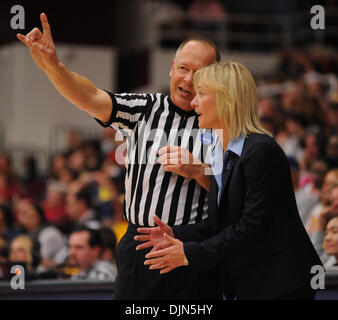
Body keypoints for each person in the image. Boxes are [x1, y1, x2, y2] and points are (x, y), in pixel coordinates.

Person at [17, 13, 221, 299]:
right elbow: (90, 97)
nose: (188, 79)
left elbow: (234, 195)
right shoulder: (143, 108)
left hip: (191, 247)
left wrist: (199, 171)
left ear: (214, 77)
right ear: (172, 68)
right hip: (138, 245)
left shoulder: (220, 123)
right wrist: (54, 66)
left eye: (198, 72)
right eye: (183, 68)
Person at [136, 62, 323, 300]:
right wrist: (176, 233)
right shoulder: (221, 152)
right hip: (254, 281)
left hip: (281, 281)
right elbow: (223, 222)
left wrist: (189, 253)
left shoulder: (261, 151)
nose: (193, 102)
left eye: (201, 93)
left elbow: (251, 228)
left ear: (227, 99)